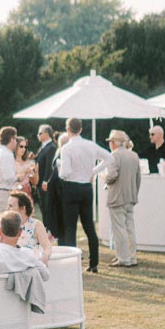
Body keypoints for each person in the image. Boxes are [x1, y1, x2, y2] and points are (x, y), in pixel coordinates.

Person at [58, 117, 112, 274]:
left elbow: (65, 173)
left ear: (68, 130)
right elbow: (110, 157)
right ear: (80, 129)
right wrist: (93, 171)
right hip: (86, 188)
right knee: (89, 226)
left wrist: (60, 167)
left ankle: (71, 265)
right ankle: (93, 263)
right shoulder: (90, 145)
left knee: (70, 227)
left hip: (71, 187)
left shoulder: (66, 149)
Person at [103, 130, 142, 267]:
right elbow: (138, 178)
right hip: (130, 196)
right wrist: (134, 193)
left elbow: (112, 175)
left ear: (113, 143)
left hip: (117, 197)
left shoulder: (113, 156)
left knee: (119, 229)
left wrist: (104, 178)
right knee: (130, 228)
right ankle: (131, 257)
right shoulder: (134, 155)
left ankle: (123, 258)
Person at [9, 190, 53, 264]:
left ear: (22, 208)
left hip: (32, 265)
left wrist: (45, 256)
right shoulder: (10, 225)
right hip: (13, 264)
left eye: (11, 206)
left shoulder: (36, 225)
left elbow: (47, 246)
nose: (7, 209)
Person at [34, 125, 56, 221]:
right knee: (43, 209)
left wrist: (46, 181)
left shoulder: (51, 147)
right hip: (39, 183)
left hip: (45, 184)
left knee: (48, 210)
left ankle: (49, 231)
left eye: (40, 133)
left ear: (46, 134)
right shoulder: (43, 147)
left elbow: (49, 166)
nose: (37, 135)